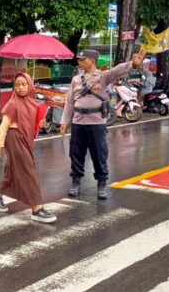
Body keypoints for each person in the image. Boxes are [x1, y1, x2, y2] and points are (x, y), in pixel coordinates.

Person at [60, 48, 147, 199]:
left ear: (92, 61)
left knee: (99, 154)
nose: (79, 62)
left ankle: (101, 183)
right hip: (78, 122)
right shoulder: (76, 80)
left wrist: (132, 64)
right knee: (76, 154)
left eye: (82, 59)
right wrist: (64, 122)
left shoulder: (103, 77)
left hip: (96, 123)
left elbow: (117, 71)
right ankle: (76, 182)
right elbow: (69, 102)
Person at [0, 73, 56, 223]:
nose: (20, 88)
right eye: (17, 85)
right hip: (14, 138)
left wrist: (40, 125)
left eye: (23, 84)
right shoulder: (13, 103)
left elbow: (31, 125)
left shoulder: (32, 103)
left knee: (13, 169)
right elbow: (4, 125)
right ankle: (36, 209)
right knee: (29, 171)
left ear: (29, 85)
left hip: (25, 140)